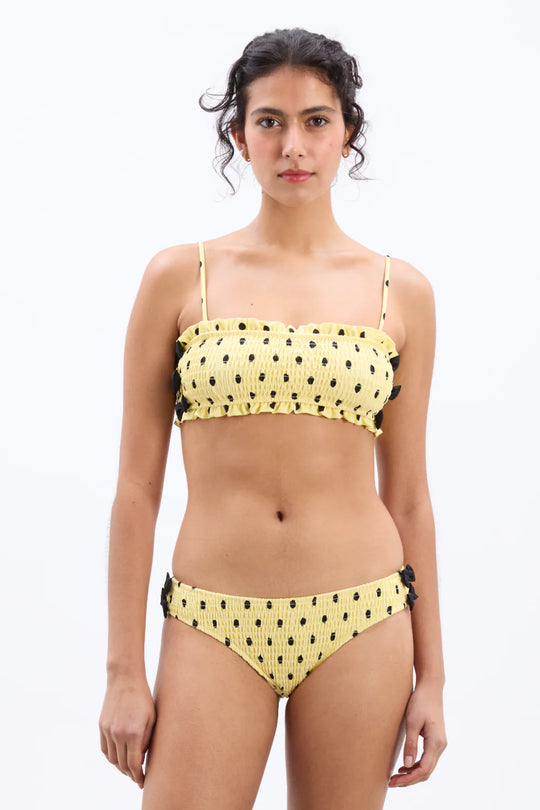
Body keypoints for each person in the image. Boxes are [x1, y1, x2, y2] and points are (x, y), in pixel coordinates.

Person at [99, 26, 447, 809]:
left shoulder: (402, 293)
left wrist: (434, 676)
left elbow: (410, 498)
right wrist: (123, 671)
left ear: (347, 133)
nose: (294, 145)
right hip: (212, 619)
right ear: (239, 135)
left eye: (316, 121)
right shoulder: (178, 278)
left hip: (363, 615)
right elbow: (135, 491)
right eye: (270, 121)